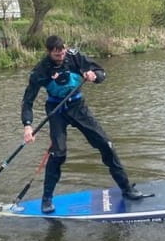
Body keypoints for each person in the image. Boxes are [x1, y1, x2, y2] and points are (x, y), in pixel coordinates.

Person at [21, 35, 150, 213]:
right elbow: (27, 101)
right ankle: (47, 199)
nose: (61, 56)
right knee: (58, 154)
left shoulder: (74, 57)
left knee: (106, 145)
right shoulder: (40, 71)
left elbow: (101, 73)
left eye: (63, 52)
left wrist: (93, 76)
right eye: (57, 55)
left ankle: (127, 189)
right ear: (49, 52)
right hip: (57, 110)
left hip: (77, 106)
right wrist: (27, 125)